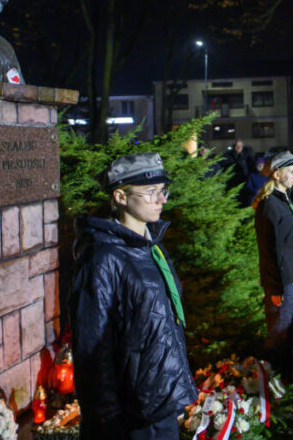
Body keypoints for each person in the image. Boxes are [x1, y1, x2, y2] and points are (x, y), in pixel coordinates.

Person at [69, 153, 197, 440]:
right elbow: (92, 350)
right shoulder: (101, 259)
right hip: (131, 419)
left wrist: (173, 389)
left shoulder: (151, 246)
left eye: (163, 191)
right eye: (151, 192)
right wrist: (106, 420)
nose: (161, 199)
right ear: (120, 196)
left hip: (158, 405)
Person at [253, 151, 293, 375]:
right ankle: (272, 382)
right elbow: (269, 251)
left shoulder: (283, 200)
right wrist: (274, 287)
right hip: (282, 283)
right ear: (276, 174)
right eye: (291, 172)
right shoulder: (270, 206)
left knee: (290, 329)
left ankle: (286, 377)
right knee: (278, 332)